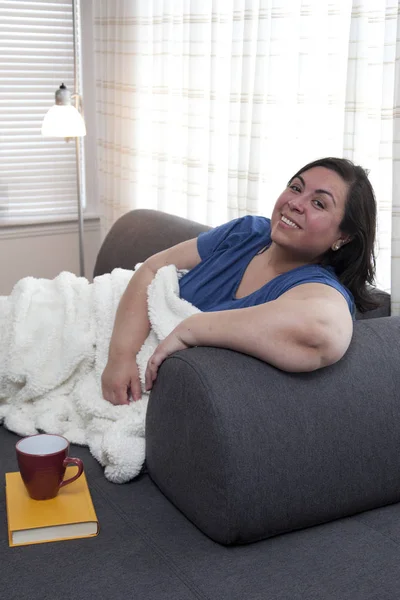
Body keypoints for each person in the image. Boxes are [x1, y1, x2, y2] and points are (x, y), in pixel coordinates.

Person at [101, 157, 378, 406]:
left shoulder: (313, 286)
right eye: (295, 188)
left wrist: (193, 328)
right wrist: (120, 357)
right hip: (116, 341)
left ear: (344, 237)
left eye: (318, 203)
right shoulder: (247, 232)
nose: (295, 203)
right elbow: (153, 269)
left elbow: (324, 332)